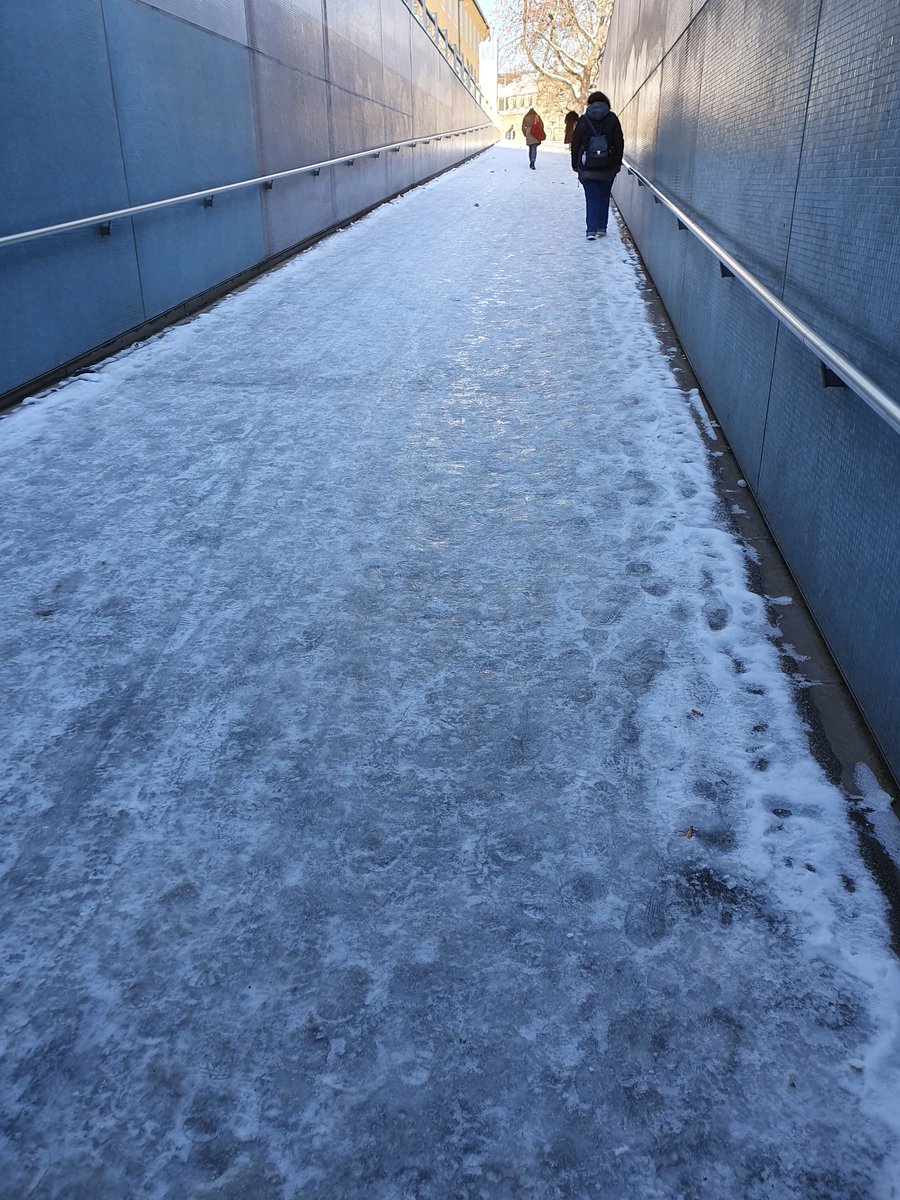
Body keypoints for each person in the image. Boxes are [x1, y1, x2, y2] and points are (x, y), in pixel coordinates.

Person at [570, 91, 624, 240]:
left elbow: (575, 143)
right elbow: (619, 141)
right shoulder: (612, 118)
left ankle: (591, 230)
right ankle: (602, 227)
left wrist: (575, 164)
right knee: (604, 195)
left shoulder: (584, 119)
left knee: (591, 197)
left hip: (588, 166)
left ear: (590, 104)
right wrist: (617, 162)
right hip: (608, 165)